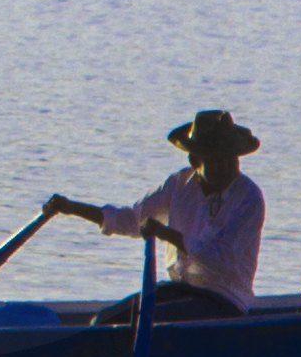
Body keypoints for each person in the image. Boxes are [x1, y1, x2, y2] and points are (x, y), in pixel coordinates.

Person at [51, 109, 269, 319]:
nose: (225, 168)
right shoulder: (179, 184)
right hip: (180, 290)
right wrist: (73, 208)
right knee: (105, 319)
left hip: (224, 302)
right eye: (215, 160)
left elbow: (224, 261)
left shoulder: (249, 199)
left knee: (149, 320)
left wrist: (169, 235)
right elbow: (133, 220)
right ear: (195, 161)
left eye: (230, 159)